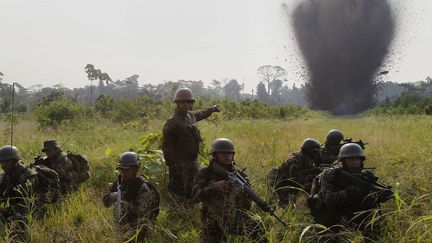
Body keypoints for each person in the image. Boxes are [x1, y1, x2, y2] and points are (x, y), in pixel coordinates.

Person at [308, 143, 393, 241]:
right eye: (350, 159)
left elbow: (372, 197)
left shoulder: (364, 177)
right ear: (343, 161)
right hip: (331, 216)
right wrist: (349, 192)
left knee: (373, 212)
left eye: (357, 159)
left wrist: (376, 197)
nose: (354, 162)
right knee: (326, 233)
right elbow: (328, 199)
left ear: (361, 161)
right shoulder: (331, 174)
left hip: (352, 213)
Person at [192, 138, 267, 243]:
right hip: (213, 220)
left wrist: (242, 197)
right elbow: (195, 197)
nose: (228, 157)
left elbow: (247, 207)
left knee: (257, 226)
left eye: (230, 154)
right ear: (215, 155)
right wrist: (213, 187)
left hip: (234, 217)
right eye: (224, 154)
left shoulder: (240, 176)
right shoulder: (205, 173)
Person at [162, 87, 220, 204]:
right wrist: (173, 167)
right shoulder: (172, 122)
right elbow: (166, 148)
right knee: (177, 191)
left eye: (188, 102)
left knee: (192, 188)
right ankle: (176, 213)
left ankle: (189, 209)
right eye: (182, 102)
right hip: (179, 163)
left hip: (192, 161)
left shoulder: (191, 116)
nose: (185, 105)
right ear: (177, 103)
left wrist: (212, 109)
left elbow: (201, 113)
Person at [103, 152, 160, 242]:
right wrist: (111, 197)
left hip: (142, 225)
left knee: (121, 205)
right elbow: (106, 203)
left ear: (135, 170)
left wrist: (123, 201)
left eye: (126, 170)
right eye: (121, 170)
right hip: (124, 224)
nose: (123, 173)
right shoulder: (119, 182)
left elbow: (142, 214)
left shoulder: (142, 187)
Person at [0, 145, 45, 241]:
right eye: (1, 162)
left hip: (31, 210)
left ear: (15, 161)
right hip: (14, 208)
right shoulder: (6, 175)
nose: (3, 165)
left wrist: (6, 210)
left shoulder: (29, 176)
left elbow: (28, 203)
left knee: (15, 228)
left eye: (7, 161)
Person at [268, 138, 321, 207]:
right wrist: (313, 177)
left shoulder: (306, 159)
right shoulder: (294, 160)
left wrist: (317, 171)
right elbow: (295, 180)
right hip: (283, 184)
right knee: (285, 207)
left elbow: (309, 170)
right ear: (312, 152)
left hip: (291, 183)